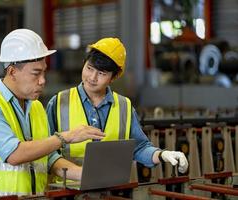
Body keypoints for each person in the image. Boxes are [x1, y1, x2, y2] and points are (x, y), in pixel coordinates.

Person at [0, 29, 105, 199]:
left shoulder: (36, 107)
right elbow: (15, 154)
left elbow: (49, 158)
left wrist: (87, 175)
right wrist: (66, 137)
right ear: (12, 72)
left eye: (44, 72)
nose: (43, 80)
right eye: (36, 73)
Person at [46, 37, 189, 174]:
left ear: (113, 77)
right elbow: (46, 151)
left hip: (111, 190)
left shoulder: (124, 107)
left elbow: (138, 147)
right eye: (89, 68)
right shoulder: (59, 103)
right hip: (66, 190)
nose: (92, 78)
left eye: (101, 73)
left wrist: (162, 154)